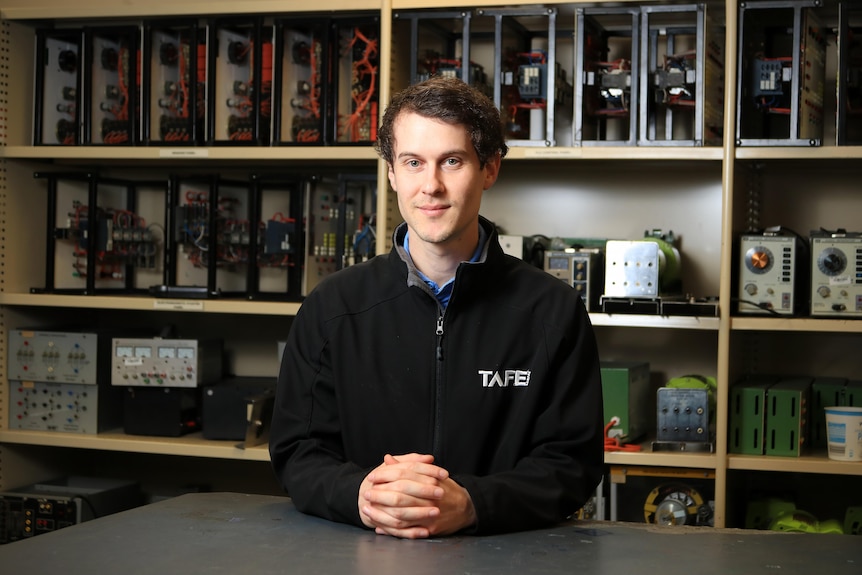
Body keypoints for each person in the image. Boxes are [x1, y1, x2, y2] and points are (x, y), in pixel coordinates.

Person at [269, 75, 604, 539]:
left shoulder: (553, 312)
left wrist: (473, 504)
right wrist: (360, 495)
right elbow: (297, 451)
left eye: (452, 161)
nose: (431, 185)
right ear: (391, 172)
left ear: (489, 169)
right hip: (364, 559)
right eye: (413, 162)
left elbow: (573, 464)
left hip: (507, 561)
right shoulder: (331, 309)